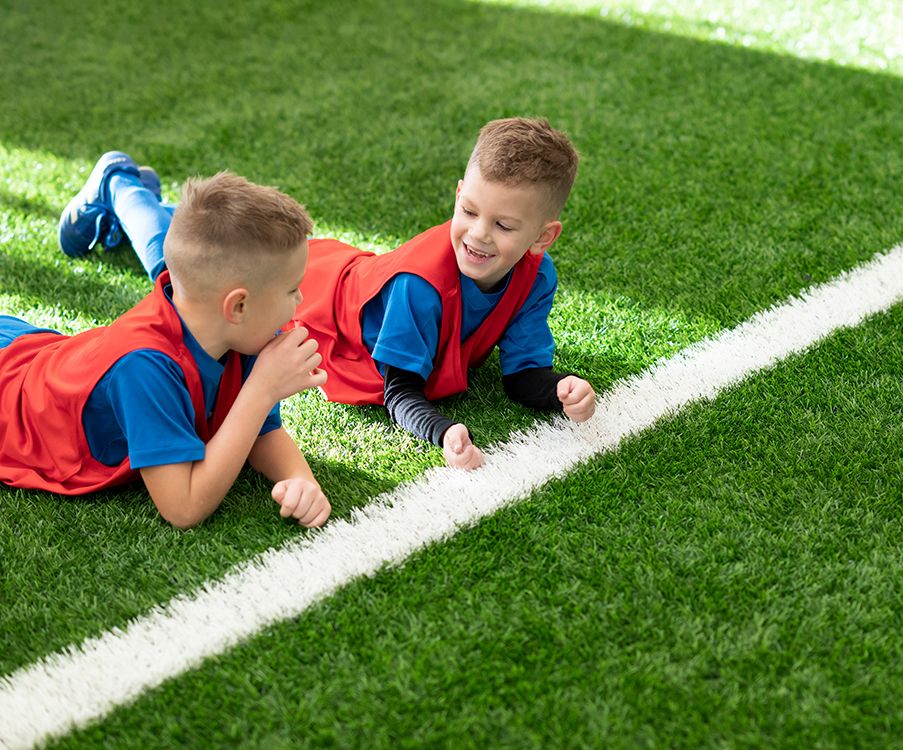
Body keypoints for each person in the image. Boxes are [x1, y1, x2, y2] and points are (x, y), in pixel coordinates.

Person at [0, 152, 331, 528]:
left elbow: (261, 432)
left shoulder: (242, 335)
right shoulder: (144, 368)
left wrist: (300, 479)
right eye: (291, 290)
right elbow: (183, 509)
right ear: (237, 305)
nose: (299, 301)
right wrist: (262, 390)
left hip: (34, 351)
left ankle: (121, 188)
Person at [294, 117, 597, 469]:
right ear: (458, 195)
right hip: (314, 297)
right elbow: (400, 392)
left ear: (543, 238)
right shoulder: (419, 284)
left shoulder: (537, 276)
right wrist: (443, 431)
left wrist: (563, 390)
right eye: (468, 211)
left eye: (503, 225)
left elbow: (522, 377)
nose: (478, 234)